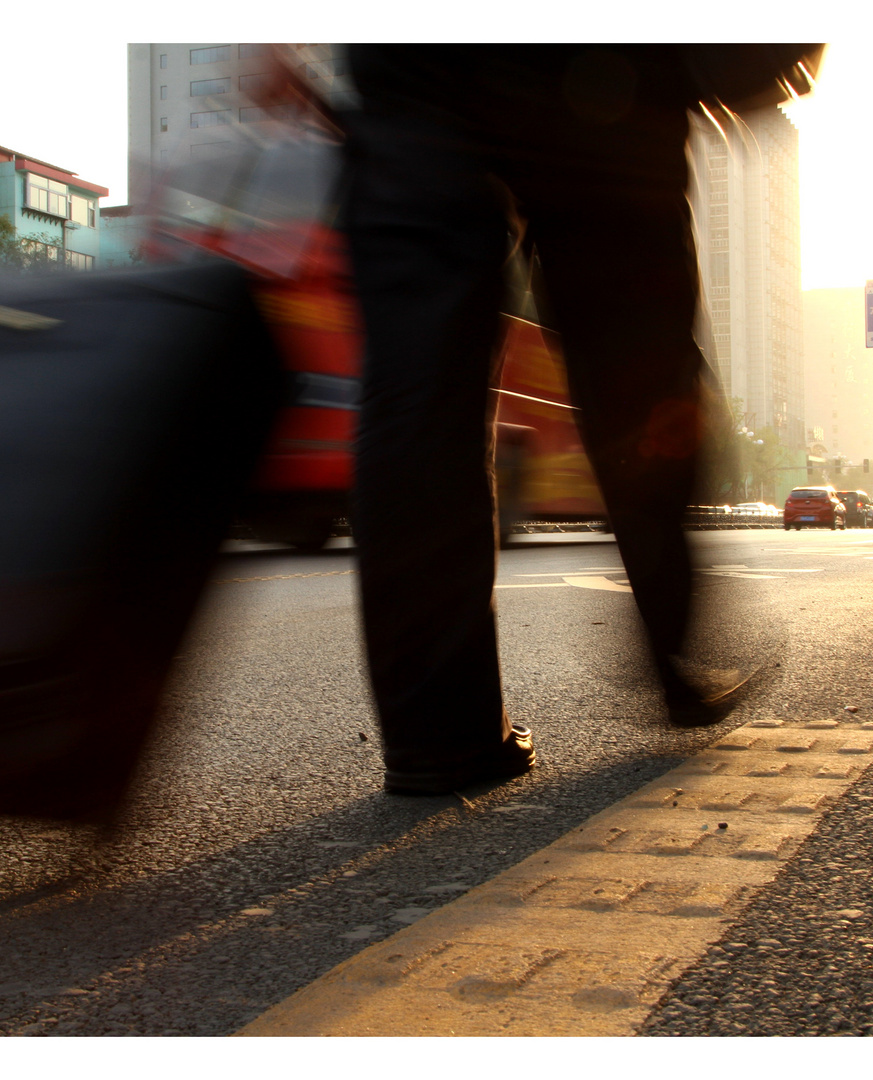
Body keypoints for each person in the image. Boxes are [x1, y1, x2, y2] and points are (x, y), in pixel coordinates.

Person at [332, 45, 823, 794]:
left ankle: (439, 737)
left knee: (417, 377)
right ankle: (675, 656)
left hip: (412, 66)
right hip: (597, 77)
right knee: (637, 374)